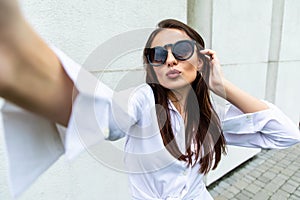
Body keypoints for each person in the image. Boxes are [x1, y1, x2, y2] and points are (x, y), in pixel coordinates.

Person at [0, 1, 300, 199]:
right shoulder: (143, 101)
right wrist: (28, 73)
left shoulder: (210, 116)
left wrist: (222, 86)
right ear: (152, 68)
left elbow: (286, 134)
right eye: (158, 55)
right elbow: (107, 115)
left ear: (201, 59)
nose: (170, 60)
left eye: (182, 50)